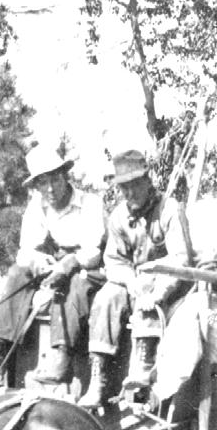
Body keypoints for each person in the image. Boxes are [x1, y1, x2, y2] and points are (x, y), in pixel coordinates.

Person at [0, 143, 106, 382]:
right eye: (43, 183)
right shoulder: (37, 207)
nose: (50, 188)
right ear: (37, 186)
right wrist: (39, 260)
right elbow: (25, 252)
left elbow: (93, 252)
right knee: (17, 273)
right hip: (55, 263)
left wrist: (69, 263)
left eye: (55, 180)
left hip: (90, 267)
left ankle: (62, 356)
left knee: (74, 284)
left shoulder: (90, 203)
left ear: (65, 176)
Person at [77, 149, 193, 409]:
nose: (130, 193)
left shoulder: (169, 209)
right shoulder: (119, 216)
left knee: (148, 296)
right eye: (124, 188)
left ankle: (142, 370)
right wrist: (131, 281)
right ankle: (98, 378)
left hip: (169, 284)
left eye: (135, 185)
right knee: (106, 296)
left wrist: (158, 291)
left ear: (148, 180)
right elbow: (114, 261)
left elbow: (181, 259)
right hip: (136, 283)